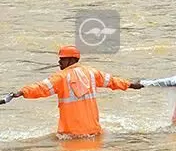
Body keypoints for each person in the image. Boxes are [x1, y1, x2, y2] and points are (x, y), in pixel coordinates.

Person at [0, 45, 141, 137]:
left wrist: (21, 92)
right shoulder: (92, 72)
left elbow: (41, 88)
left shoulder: (60, 77)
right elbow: (112, 81)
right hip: (93, 132)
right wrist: (130, 84)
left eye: (62, 59)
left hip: (70, 135)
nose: (59, 62)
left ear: (71, 60)